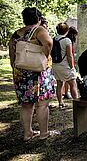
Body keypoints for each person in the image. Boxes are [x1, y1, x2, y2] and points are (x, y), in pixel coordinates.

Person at [8, 7, 58, 140]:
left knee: (26, 104)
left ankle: (27, 133)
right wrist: (45, 56)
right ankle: (43, 133)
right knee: (42, 104)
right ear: (38, 18)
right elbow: (48, 42)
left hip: (21, 72)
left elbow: (11, 51)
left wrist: (14, 65)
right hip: (38, 72)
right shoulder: (39, 30)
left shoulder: (16, 33)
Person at [52, 22, 78, 109]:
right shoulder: (67, 41)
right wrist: (72, 67)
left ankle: (60, 102)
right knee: (73, 84)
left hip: (55, 65)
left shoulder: (53, 39)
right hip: (65, 66)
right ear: (67, 30)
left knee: (59, 84)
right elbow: (69, 56)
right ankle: (77, 103)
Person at [62, 26, 78, 99]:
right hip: (67, 62)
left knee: (64, 80)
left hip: (62, 62)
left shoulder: (65, 39)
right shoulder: (69, 41)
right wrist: (72, 66)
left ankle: (66, 93)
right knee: (72, 81)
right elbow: (70, 55)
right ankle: (74, 97)